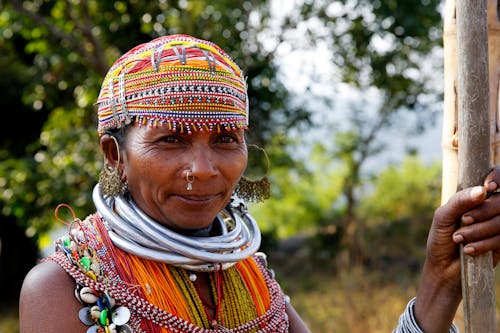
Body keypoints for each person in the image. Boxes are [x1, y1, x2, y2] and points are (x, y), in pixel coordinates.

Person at [18, 34, 500, 333]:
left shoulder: (253, 281)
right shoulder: (64, 288)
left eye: (225, 139)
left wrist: (440, 278)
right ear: (114, 155)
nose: (204, 168)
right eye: (171, 140)